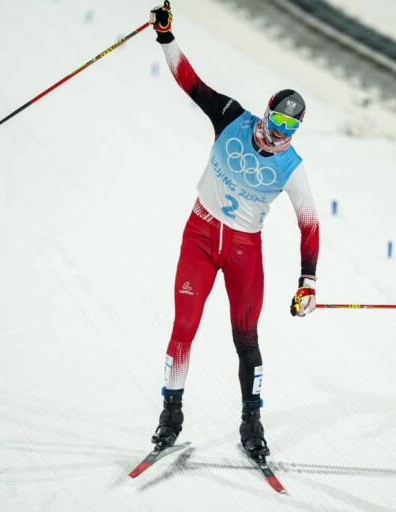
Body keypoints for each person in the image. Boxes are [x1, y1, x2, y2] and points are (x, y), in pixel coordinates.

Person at [148, 2, 320, 460]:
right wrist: (166, 38)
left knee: (246, 338)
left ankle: (252, 423)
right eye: (275, 122)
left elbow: (309, 223)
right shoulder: (231, 117)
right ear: (265, 113)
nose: (278, 134)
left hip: (244, 250)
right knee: (184, 326)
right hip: (200, 237)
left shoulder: (292, 167)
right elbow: (190, 82)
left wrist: (308, 280)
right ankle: (170, 415)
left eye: (289, 128)